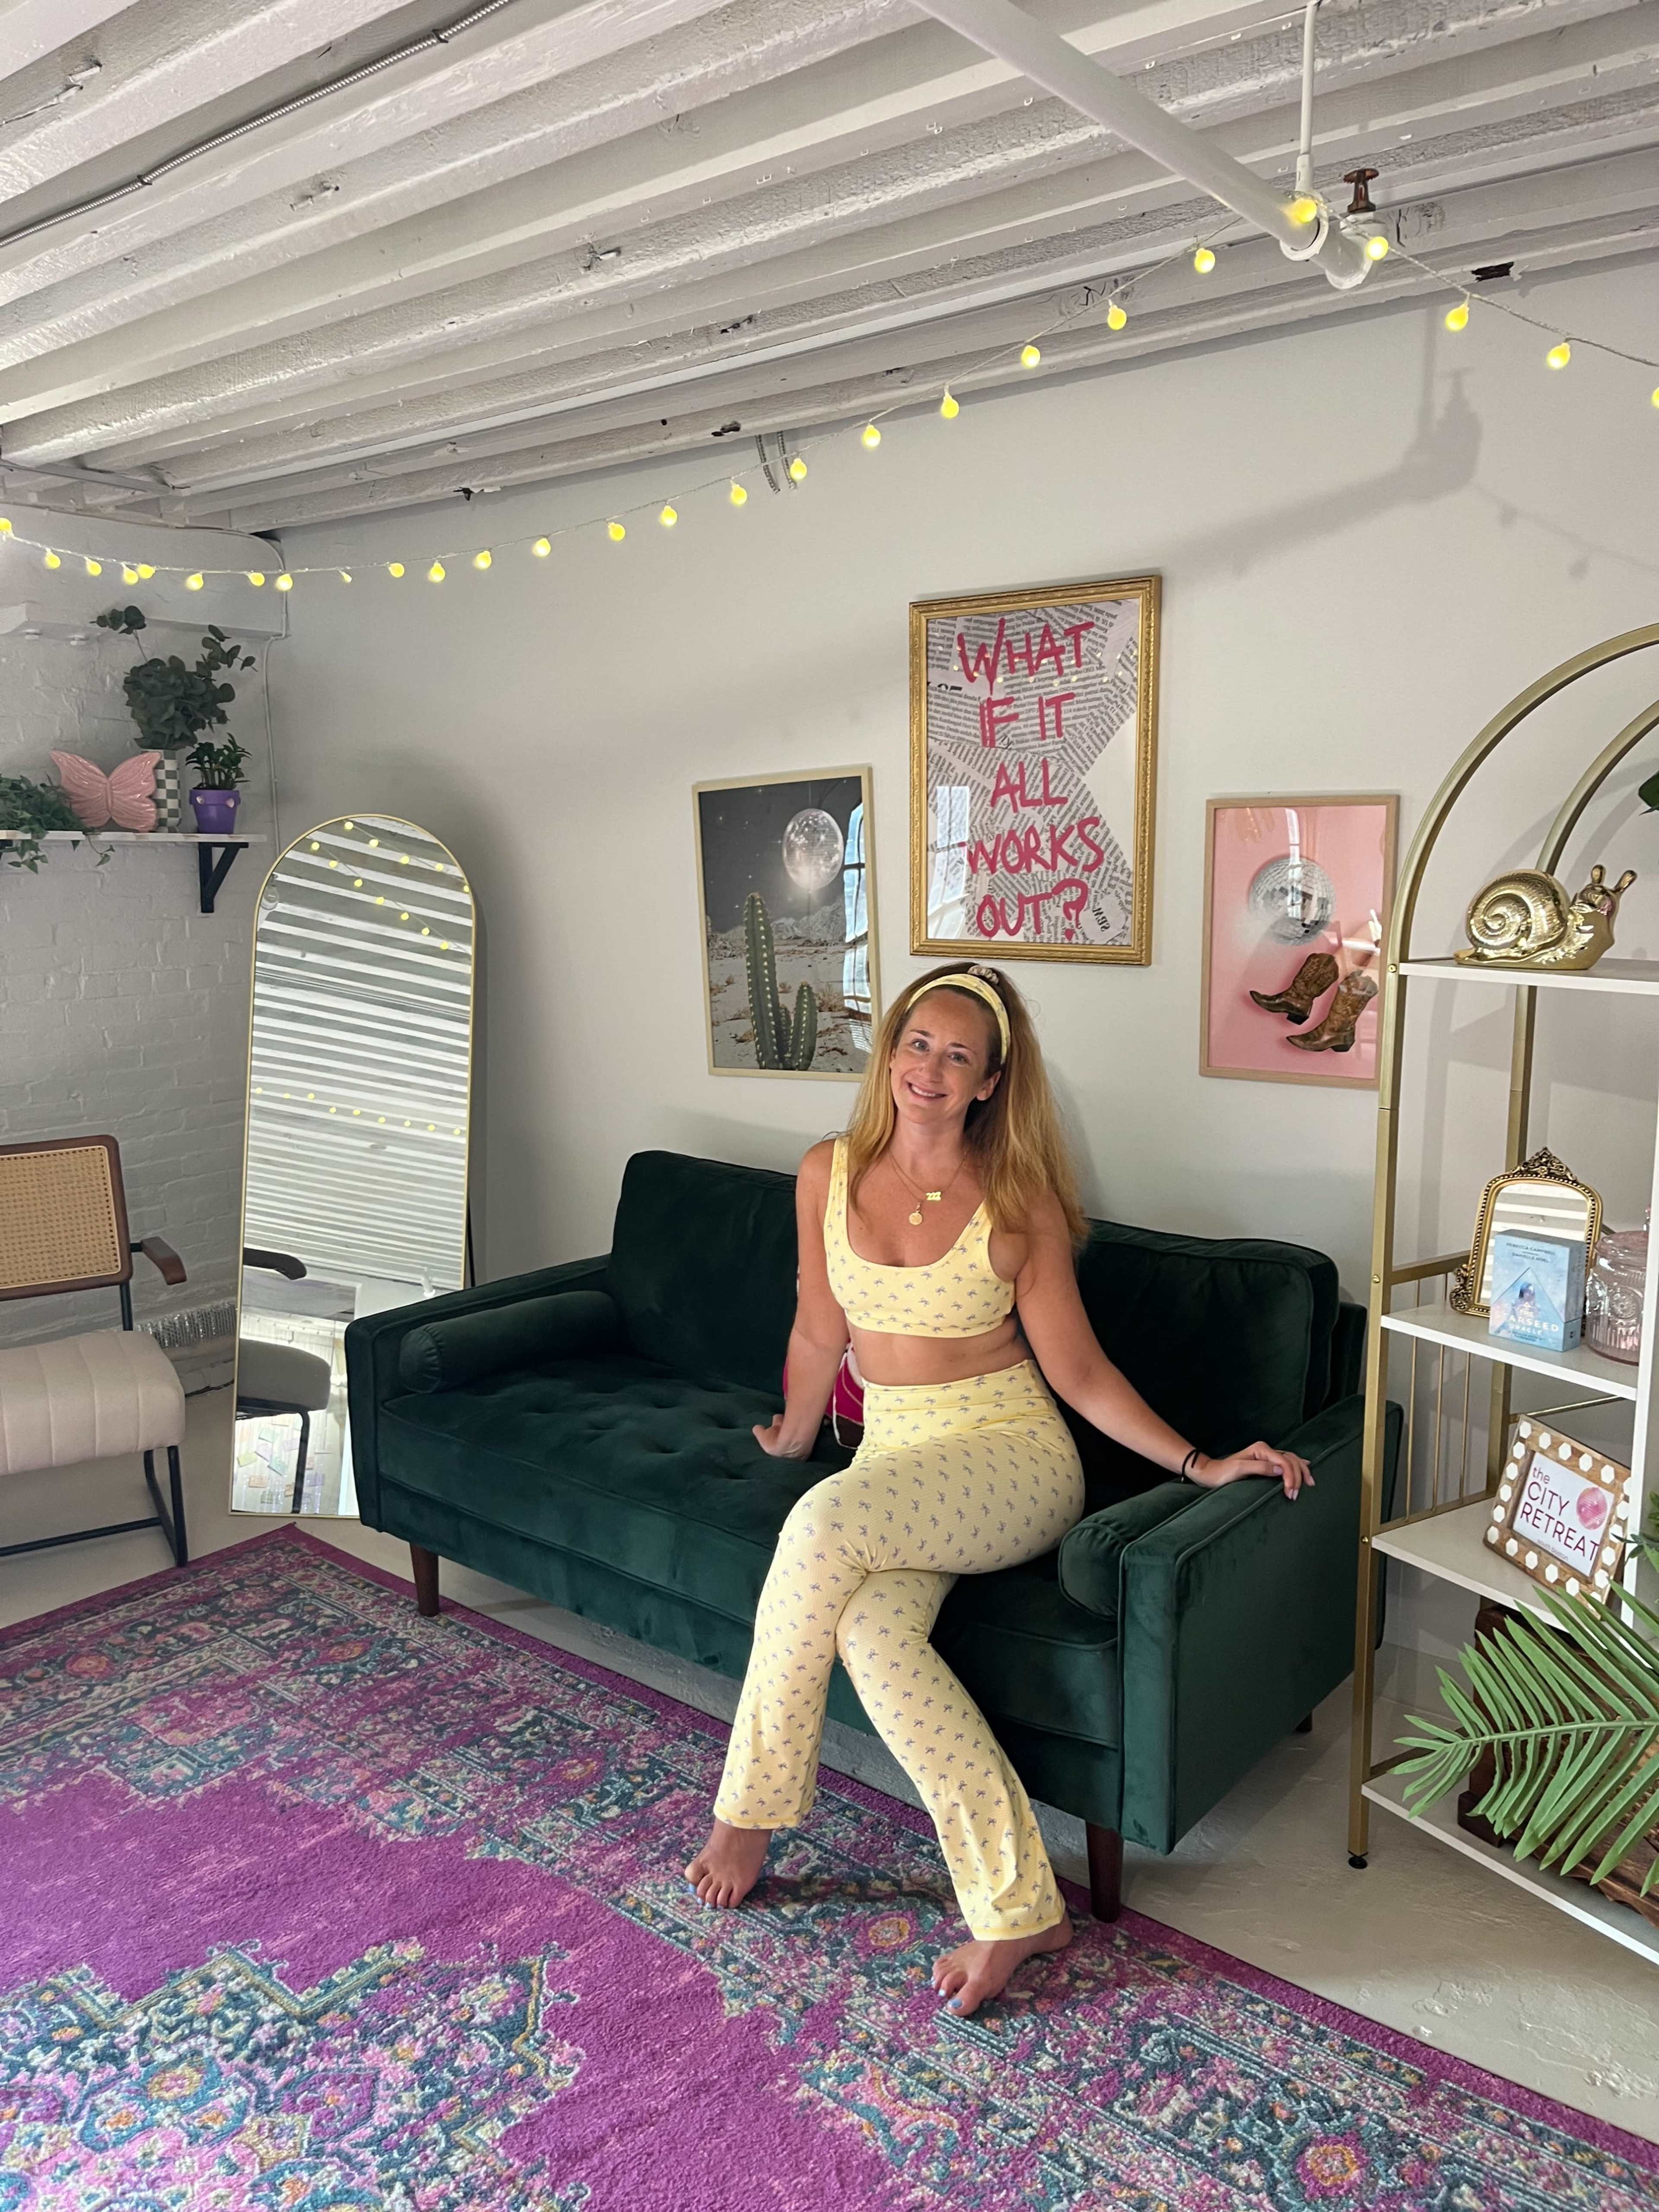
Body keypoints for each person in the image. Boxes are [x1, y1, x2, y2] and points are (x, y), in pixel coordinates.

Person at [686, 961, 1312, 2016]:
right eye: (916, 1043)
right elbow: (816, 1325)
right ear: (890, 1052)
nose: (929, 1068)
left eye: (958, 1054)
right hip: (895, 1455)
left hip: (1011, 1457)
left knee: (820, 1526)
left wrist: (1203, 1462)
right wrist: (797, 1432)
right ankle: (1020, 1907)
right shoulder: (825, 1171)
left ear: (989, 1083)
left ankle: (747, 1809)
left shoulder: (1018, 1204)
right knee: (873, 1637)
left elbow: (1079, 1374)